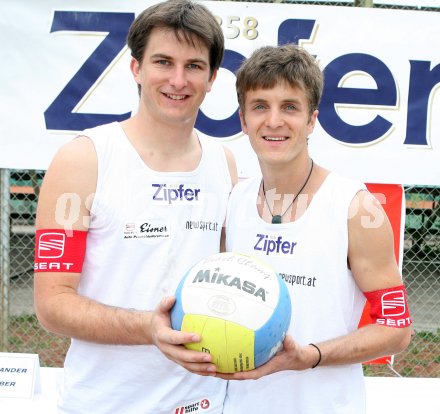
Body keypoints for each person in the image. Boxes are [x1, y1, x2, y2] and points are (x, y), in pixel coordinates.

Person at [33, 1, 236, 413]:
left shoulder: (225, 163)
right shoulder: (85, 159)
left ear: (213, 78)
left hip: (203, 402)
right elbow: (52, 304)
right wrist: (148, 327)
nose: (178, 80)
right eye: (163, 61)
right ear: (136, 68)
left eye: (194, 66)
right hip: (104, 403)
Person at [220, 44, 412, 413]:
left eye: (290, 107)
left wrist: (311, 356)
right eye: (260, 106)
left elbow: (396, 329)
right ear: (243, 120)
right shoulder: (234, 201)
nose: (274, 120)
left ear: (311, 120)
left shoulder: (355, 206)